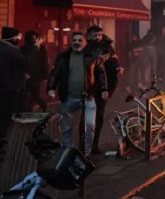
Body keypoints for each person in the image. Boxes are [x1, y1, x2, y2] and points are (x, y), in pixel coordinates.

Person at [47, 31, 107, 155]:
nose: (77, 42)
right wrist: (51, 87)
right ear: (70, 42)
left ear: (85, 42)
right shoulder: (63, 57)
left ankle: (87, 152)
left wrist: (104, 89)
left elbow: (101, 73)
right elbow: (55, 73)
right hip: (68, 97)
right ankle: (67, 151)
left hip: (88, 97)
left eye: (80, 40)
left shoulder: (92, 56)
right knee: (67, 128)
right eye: (74, 40)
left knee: (90, 125)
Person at [85, 25, 121, 154]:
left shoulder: (108, 48)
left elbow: (114, 65)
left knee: (99, 116)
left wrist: (109, 90)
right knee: (87, 119)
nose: (97, 37)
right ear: (89, 36)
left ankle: (94, 144)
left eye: (99, 35)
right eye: (95, 35)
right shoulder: (86, 49)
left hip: (104, 87)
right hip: (89, 88)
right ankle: (87, 146)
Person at [0, 27, 26, 139]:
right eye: (18, 37)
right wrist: (34, 48)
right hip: (8, 89)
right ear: (13, 38)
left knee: (2, 116)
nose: (19, 39)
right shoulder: (10, 50)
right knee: (4, 118)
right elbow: (24, 62)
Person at [21, 31, 49, 112]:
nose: (33, 40)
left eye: (34, 38)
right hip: (26, 76)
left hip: (36, 76)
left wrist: (44, 76)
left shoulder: (41, 49)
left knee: (35, 96)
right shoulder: (23, 49)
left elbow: (44, 63)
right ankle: (29, 111)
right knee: (25, 96)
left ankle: (44, 108)